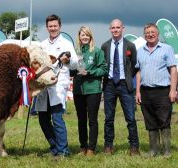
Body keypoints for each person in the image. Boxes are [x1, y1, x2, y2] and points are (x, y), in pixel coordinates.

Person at [34, 14, 79, 158]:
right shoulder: (42, 45)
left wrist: (67, 60)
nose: (53, 28)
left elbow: (75, 64)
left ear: (60, 26)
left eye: (55, 26)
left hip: (58, 86)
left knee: (57, 118)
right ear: (47, 27)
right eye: (50, 26)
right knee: (43, 119)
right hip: (43, 87)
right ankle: (55, 147)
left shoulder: (66, 43)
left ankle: (63, 150)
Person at [135, 23, 177, 157]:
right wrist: (138, 91)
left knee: (164, 120)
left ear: (158, 34)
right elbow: (138, 72)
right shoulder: (140, 51)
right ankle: (153, 150)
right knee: (150, 121)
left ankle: (167, 151)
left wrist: (173, 90)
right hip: (145, 91)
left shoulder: (167, 49)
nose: (150, 35)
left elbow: (173, 70)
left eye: (153, 32)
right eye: (147, 33)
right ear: (144, 35)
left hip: (163, 91)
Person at [101, 19, 140, 155]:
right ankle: (108, 146)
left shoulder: (130, 46)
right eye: (113, 28)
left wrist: (128, 77)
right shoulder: (105, 46)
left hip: (125, 84)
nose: (116, 30)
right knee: (108, 118)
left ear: (123, 28)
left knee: (130, 118)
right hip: (109, 84)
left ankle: (134, 147)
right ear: (110, 29)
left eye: (118, 27)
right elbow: (103, 65)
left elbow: (134, 65)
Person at [72, 26, 107, 156]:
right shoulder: (75, 52)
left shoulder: (97, 51)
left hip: (93, 89)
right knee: (81, 119)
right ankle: (83, 147)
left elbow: (104, 69)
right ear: (79, 37)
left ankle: (91, 148)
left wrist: (90, 72)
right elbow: (71, 70)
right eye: (82, 35)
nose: (85, 37)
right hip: (78, 90)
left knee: (92, 120)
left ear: (90, 36)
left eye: (87, 35)